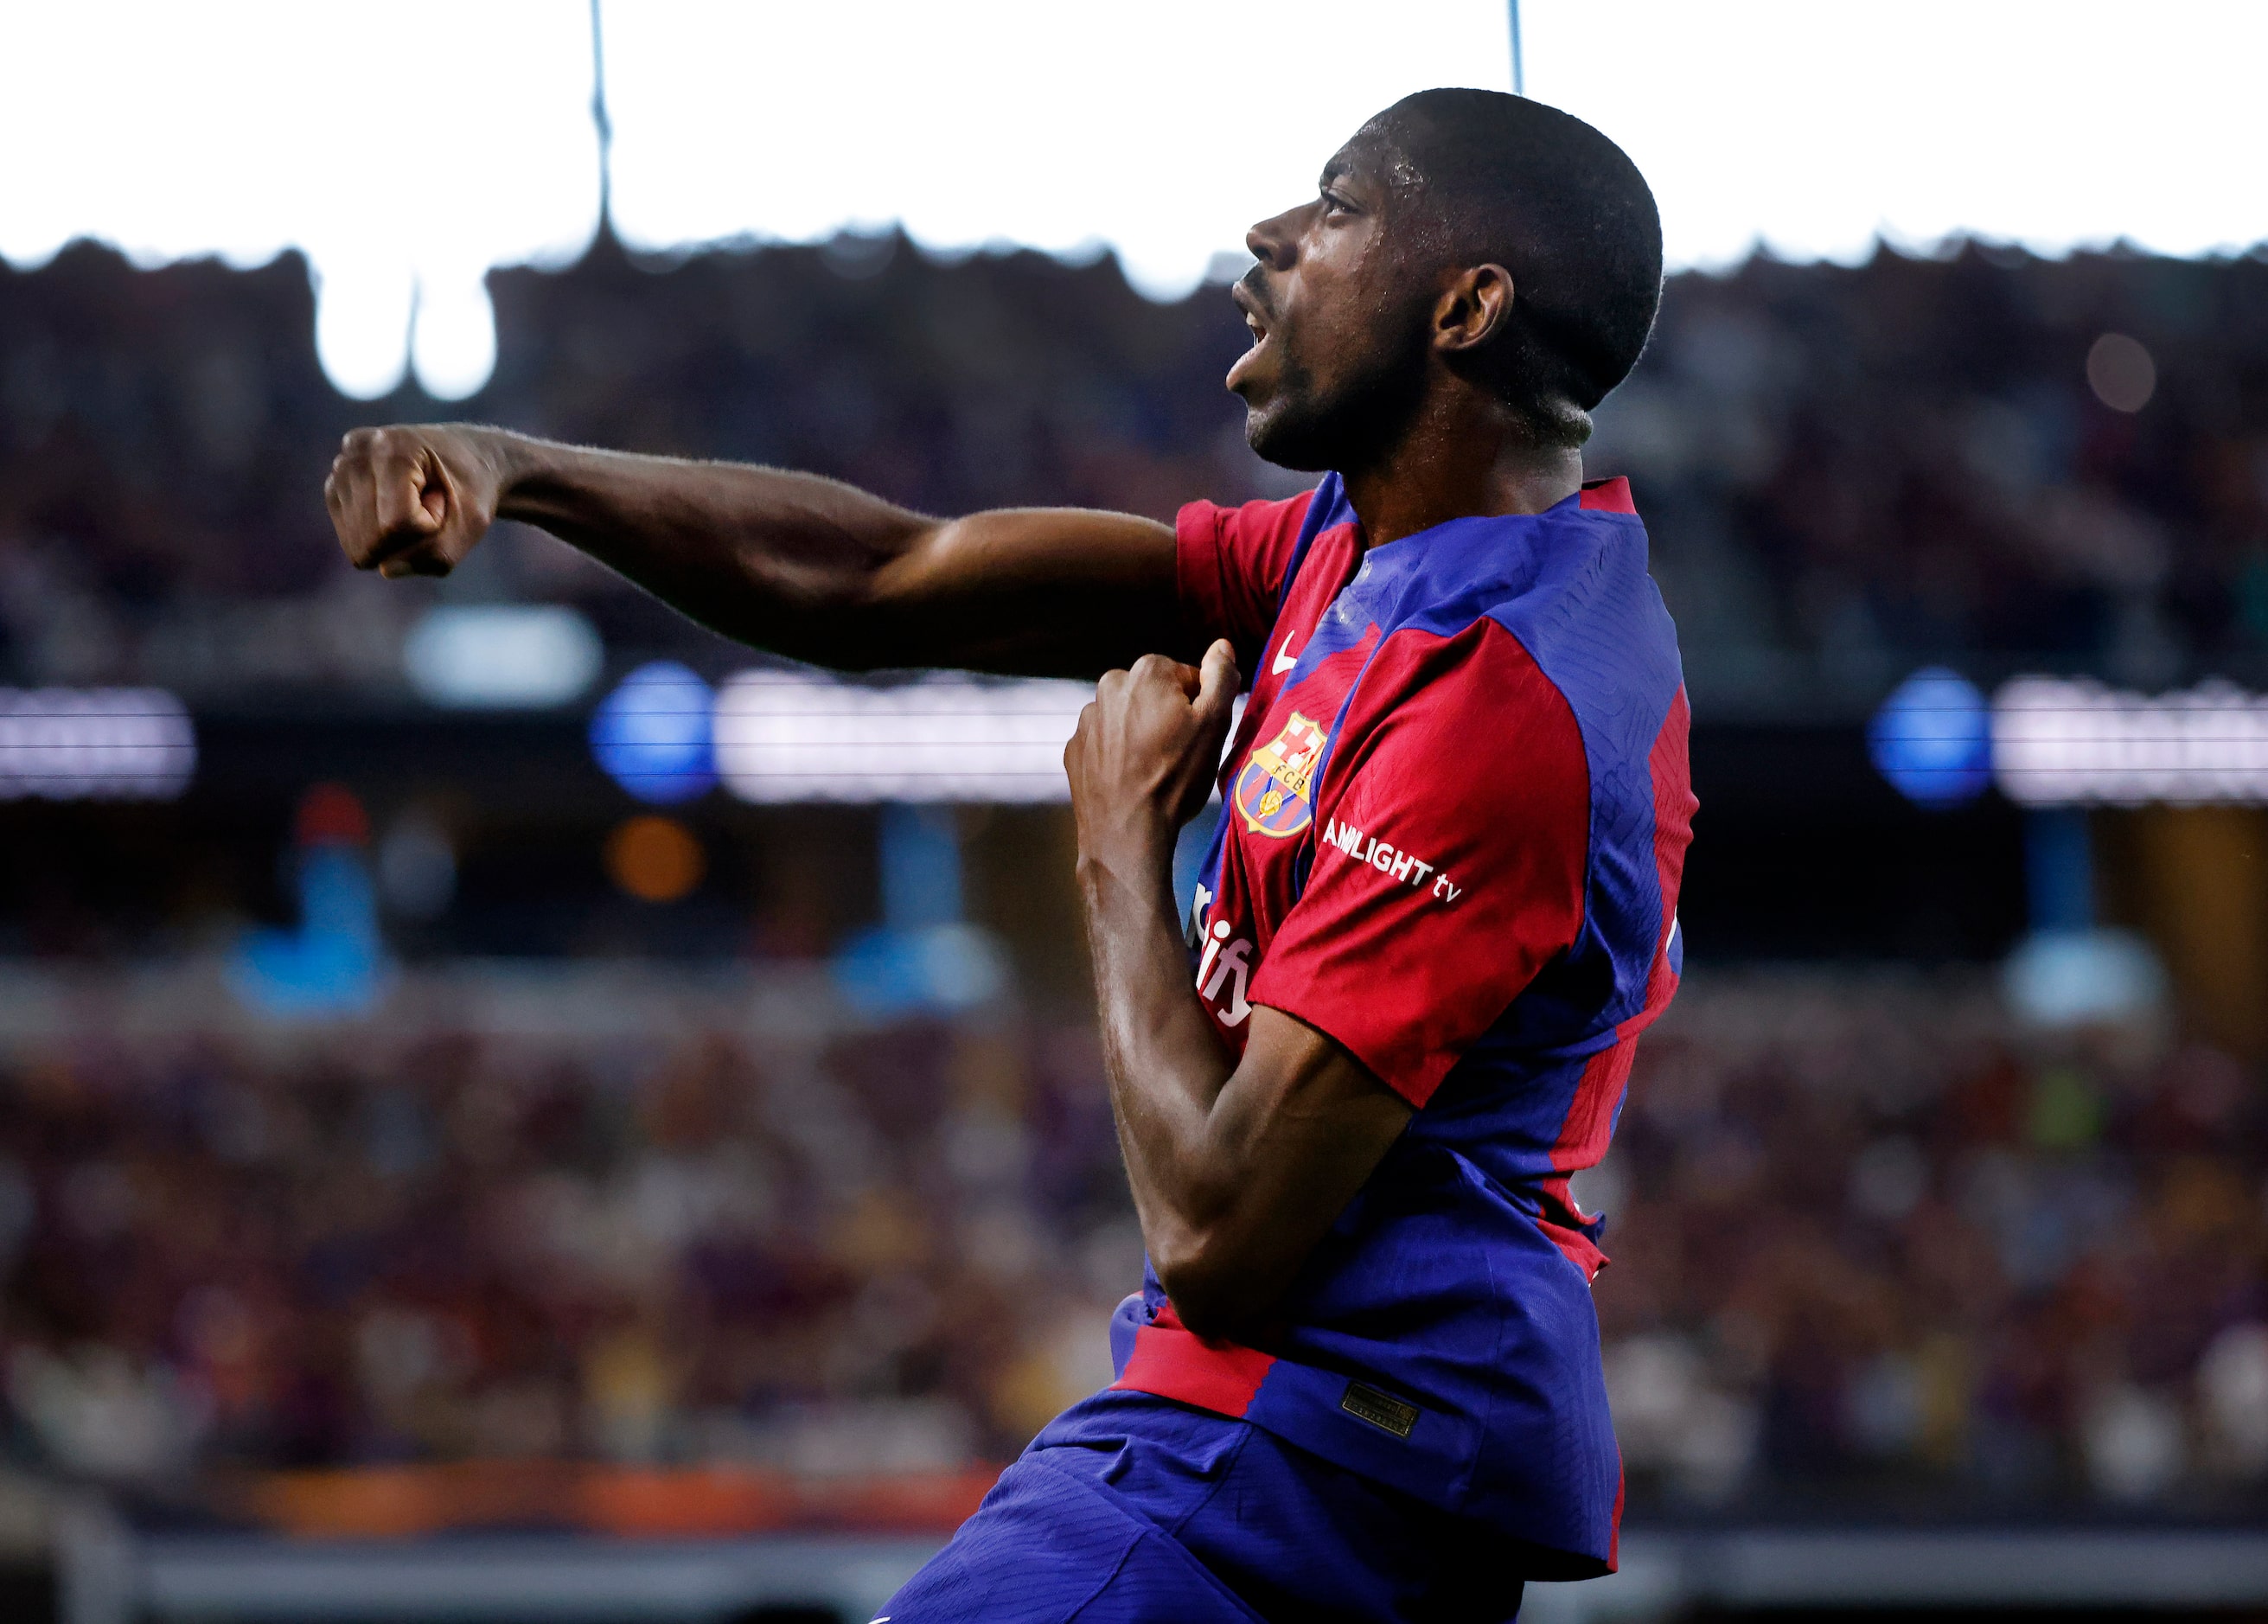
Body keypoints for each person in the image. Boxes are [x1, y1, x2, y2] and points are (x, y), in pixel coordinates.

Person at [327, 87, 1691, 1624]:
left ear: (1467, 305)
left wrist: (1114, 849)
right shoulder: (1350, 556)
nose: (1272, 235)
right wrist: (526, 473)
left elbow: (1224, 1234)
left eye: (1340, 205)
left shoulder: (1498, 698)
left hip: (1304, 1454)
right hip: (1319, 1447)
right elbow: (890, 575)